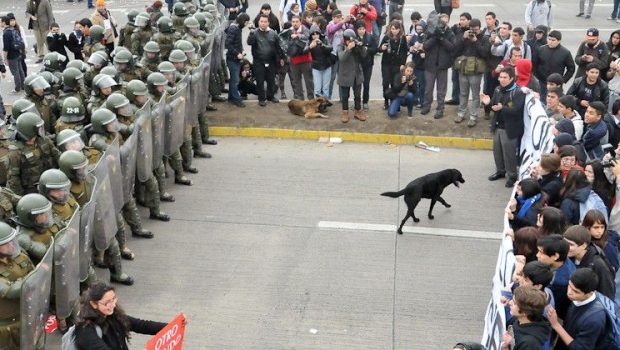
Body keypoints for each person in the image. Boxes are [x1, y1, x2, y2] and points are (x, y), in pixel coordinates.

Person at [73, 281, 168, 348]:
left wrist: (172, 326)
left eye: (113, 299)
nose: (113, 305)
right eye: (107, 303)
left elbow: (141, 325)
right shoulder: (84, 329)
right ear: (93, 304)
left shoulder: (112, 315)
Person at [546, 268, 616, 349]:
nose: (569, 292)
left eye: (576, 291)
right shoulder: (578, 298)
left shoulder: (594, 319)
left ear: (590, 293)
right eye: (569, 286)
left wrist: (556, 325)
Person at [482, 67, 525, 187]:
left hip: (509, 128)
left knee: (509, 153)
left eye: (505, 77)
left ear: (511, 78)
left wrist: (503, 108)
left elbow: (517, 110)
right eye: (500, 77)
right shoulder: (497, 89)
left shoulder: (517, 92)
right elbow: (494, 105)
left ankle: (512, 175)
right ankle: (500, 171)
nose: (502, 80)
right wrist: (488, 103)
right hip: (497, 126)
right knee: (497, 151)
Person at [0, 221, 34, 349]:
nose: (11, 245)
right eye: (5, 243)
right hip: (5, 328)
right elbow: (11, 291)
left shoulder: (19, 256)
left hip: (26, 315)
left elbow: (34, 272)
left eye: (11, 240)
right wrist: (31, 278)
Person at [454, 18, 490, 127]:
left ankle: (473, 117)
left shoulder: (484, 38)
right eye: (471, 29)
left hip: (475, 72)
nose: (473, 32)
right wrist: (462, 39)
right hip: (463, 70)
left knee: (475, 95)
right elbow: (456, 51)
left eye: (475, 30)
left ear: (479, 28)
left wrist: (476, 41)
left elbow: (484, 53)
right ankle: (461, 113)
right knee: (463, 93)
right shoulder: (466, 37)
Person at [564, 225, 616, 299]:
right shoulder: (569, 257)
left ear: (584, 245)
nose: (566, 247)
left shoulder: (598, 264)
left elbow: (607, 294)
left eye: (571, 244)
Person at [421, 14, 455, 120]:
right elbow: (425, 45)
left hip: (442, 66)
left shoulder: (449, 32)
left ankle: (440, 109)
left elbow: (452, 47)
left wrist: (442, 38)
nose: (443, 23)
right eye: (442, 21)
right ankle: (427, 106)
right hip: (430, 65)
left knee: (441, 90)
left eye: (445, 21)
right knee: (428, 89)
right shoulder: (431, 31)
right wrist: (435, 37)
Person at [247, 14, 285, 107]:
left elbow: (278, 46)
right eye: (261, 21)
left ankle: (270, 96)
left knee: (271, 80)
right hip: (258, 61)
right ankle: (261, 98)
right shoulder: (254, 33)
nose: (263, 23)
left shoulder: (273, 33)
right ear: (258, 22)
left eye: (265, 22)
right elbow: (249, 42)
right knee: (260, 81)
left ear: (268, 23)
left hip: (271, 61)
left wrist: (281, 57)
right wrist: (251, 33)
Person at [536, 234, 577, 319]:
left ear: (555, 256)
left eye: (541, 252)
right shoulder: (561, 260)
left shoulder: (560, 281)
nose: (537, 255)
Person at [500, 286, 551, 350]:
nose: (510, 303)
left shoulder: (529, 344)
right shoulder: (522, 321)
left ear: (525, 312)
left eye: (514, 303)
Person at [534, 30, 575, 98]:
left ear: (559, 41)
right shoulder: (541, 49)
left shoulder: (565, 52)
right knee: (541, 101)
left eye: (553, 40)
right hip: (542, 82)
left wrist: (563, 80)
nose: (550, 42)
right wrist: (536, 77)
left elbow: (571, 68)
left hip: (556, 84)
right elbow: (535, 64)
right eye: (549, 39)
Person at [338, 29, 367, 123]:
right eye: (348, 40)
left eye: (351, 40)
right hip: (345, 74)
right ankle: (345, 112)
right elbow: (341, 58)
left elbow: (364, 56)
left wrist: (361, 47)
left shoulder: (356, 46)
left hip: (356, 74)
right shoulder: (340, 46)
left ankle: (358, 111)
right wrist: (348, 49)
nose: (350, 42)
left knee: (357, 95)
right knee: (345, 95)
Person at [378, 20, 408, 110]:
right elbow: (379, 49)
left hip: (397, 64)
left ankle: (394, 101)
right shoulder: (387, 37)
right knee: (386, 83)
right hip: (386, 64)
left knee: (395, 84)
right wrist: (382, 48)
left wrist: (403, 63)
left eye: (396, 29)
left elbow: (405, 51)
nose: (393, 31)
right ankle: (386, 101)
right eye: (392, 29)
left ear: (399, 30)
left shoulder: (402, 38)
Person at [225, 13, 250, 108]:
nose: (246, 25)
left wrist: (242, 50)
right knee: (235, 80)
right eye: (246, 22)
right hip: (233, 59)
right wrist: (237, 53)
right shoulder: (234, 29)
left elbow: (237, 43)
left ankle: (231, 97)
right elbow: (228, 44)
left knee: (234, 79)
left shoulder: (236, 28)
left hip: (235, 58)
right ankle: (236, 99)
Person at [288, 16, 314, 100]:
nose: (295, 23)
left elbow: (308, 38)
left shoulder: (305, 30)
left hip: (305, 60)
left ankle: (311, 99)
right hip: (294, 61)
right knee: (297, 81)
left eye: (296, 22)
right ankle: (300, 100)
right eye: (293, 22)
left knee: (308, 81)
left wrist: (297, 36)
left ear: (300, 22)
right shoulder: (289, 31)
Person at [305, 25, 333, 101]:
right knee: (317, 88)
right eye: (313, 34)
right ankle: (317, 104)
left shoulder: (324, 39)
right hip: (316, 67)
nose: (315, 36)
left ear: (320, 34)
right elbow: (304, 51)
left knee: (325, 88)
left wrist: (321, 44)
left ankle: (325, 103)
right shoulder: (309, 41)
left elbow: (330, 48)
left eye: (317, 34)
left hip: (326, 65)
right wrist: (310, 47)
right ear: (311, 35)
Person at [2, 16, 25, 94]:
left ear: (4, 22)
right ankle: (23, 86)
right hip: (18, 52)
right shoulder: (13, 29)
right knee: (20, 70)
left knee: (15, 72)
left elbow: (6, 47)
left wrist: (5, 58)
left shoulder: (6, 33)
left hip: (12, 55)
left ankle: (17, 89)